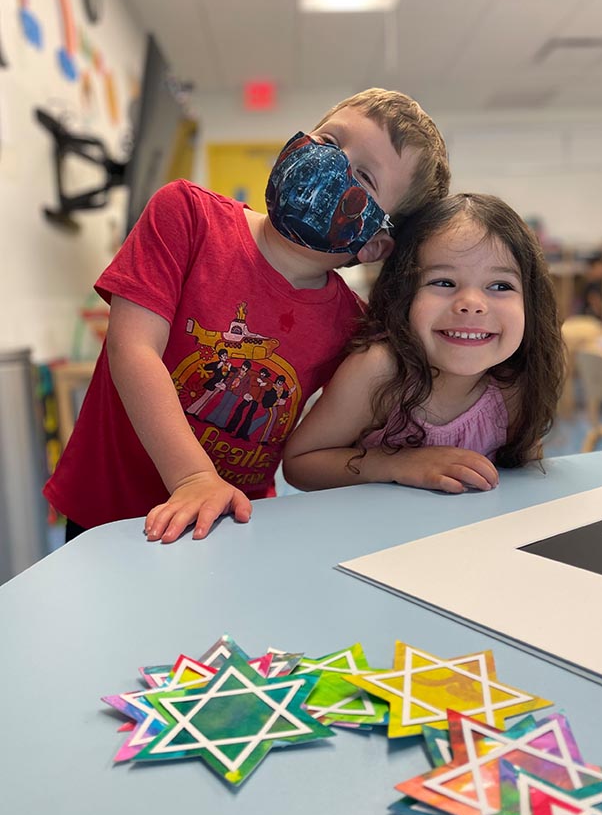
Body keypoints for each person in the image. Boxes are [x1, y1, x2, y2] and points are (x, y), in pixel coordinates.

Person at [44, 89, 450, 543]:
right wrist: (193, 477)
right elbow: (132, 349)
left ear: (371, 245)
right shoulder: (186, 214)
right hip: (108, 514)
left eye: (364, 176)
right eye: (331, 141)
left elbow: (358, 423)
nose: (331, 165)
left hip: (229, 527)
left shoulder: (350, 325)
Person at [283, 193, 566, 494]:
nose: (472, 304)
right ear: (403, 293)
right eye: (443, 282)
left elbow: (521, 483)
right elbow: (300, 464)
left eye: (500, 286)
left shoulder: (514, 386)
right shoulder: (379, 370)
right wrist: (397, 464)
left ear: (530, 304)